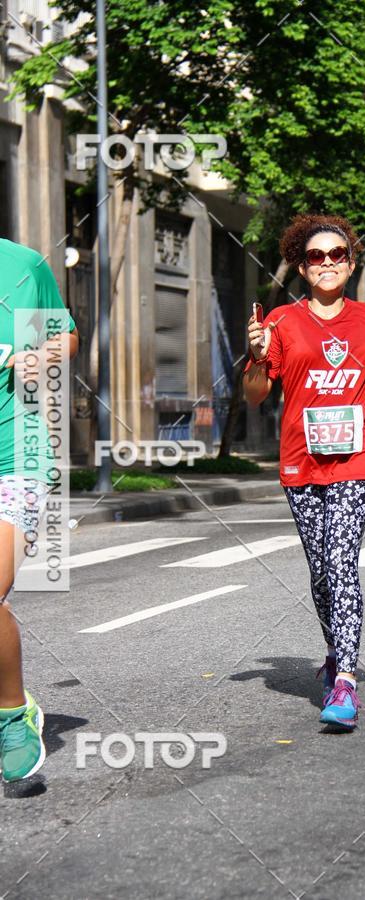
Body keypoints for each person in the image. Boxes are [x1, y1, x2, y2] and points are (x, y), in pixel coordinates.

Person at [243, 213, 365, 730]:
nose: (327, 263)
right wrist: (254, 359)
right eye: (316, 257)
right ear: (301, 266)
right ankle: (334, 653)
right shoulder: (279, 323)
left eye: (337, 255)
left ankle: (345, 679)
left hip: (359, 455)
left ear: (351, 262)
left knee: (341, 562)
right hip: (301, 459)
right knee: (321, 572)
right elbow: (255, 397)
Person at [0, 239, 78, 782]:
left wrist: (39, 354)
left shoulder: (21, 267)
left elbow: (65, 336)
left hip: (16, 457)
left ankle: (11, 716)